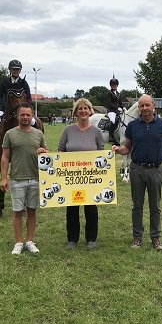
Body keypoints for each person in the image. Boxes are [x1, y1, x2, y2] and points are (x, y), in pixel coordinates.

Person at [112, 94, 162, 251]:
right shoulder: (133, 126)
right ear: (138, 108)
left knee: (155, 206)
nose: (145, 108)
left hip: (156, 169)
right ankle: (137, 237)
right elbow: (127, 147)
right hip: (137, 169)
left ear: (153, 105)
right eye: (141, 106)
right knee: (137, 206)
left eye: (147, 105)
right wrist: (119, 150)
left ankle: (156, 237)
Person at [0, 102, 48, 255]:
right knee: (17, 212)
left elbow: (46, 153)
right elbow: (5, 157)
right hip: (17, 179)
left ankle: (29, 241)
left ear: (32, 116)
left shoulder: (38, 134)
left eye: (28, 115)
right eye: (23, 115)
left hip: (35, 178)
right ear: (18, 116)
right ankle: (19, 242)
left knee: (32, 211)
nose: (25, 117)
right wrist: (3, 178)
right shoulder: (10, 134)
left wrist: (43, 151)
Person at [58, 98, 105, 250]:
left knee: (91, 207)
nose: (83, 111)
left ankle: (91, 238)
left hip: (90, 178)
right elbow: (60, 151)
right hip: (71, 178)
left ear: (90, 111)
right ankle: (72, 238)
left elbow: (101, 154)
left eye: (86, 108)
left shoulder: (97, 132)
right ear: (76, 111)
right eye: (80, 108)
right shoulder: (68, 130)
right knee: (72, 208)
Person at [0, 59, 33, 156]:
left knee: (35, 122)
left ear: (20, 71)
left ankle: (36, 146)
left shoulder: (24, 83)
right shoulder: (5, 82)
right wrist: (5, 105)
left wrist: (25, 107)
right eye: (14, 69)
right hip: (5, 109)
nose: (16, 71)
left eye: (18, 69)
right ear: (10, 70)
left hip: (22, 110)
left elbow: (29, 97)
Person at [106, 75, 124, 144]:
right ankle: (111, 136)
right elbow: (109, 103)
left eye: (115, 85)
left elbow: (120, 103)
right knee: (113, 120)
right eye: (113, 85)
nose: (114, 86)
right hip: (111, 111)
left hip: (117, 111)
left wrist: (123, 108)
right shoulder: (109, 93)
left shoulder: (119, 94)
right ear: (111, 86)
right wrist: (117, 108)